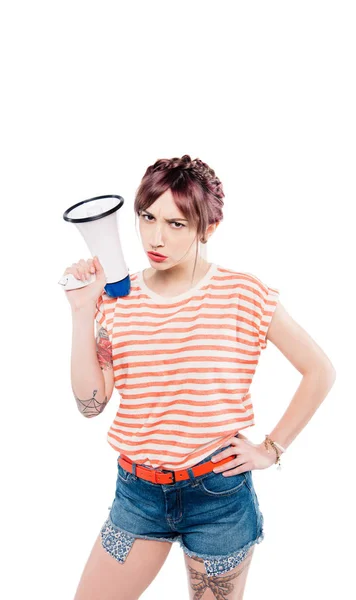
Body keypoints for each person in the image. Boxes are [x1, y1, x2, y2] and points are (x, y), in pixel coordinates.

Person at [64, 155, 336, 600]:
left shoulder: (243, 293)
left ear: (206, 228)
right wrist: (81, 313)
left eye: (177, 223)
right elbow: (91, 403)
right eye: (148, 217)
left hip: (218, 498)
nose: (156, 236)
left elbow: (320, 370)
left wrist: (271, 448)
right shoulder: (118, 298)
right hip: (138, 496)